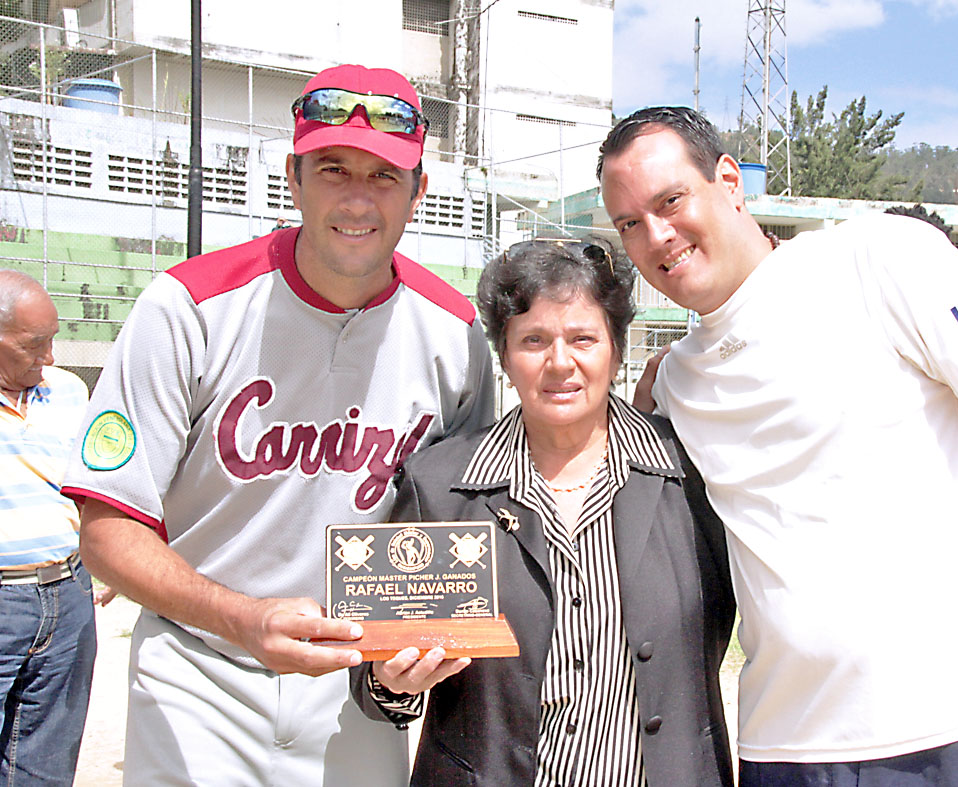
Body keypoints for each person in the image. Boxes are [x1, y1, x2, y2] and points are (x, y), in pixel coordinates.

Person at [597, 106, 958, 787]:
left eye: (669, 200)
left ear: (729, 182)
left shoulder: (883, 257)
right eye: (629, 223)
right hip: (784, 752)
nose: (656, 234)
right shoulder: (674, 383)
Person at [60, 64, 495, 785]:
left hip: (355, 685)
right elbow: (107, 528)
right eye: (332, 168)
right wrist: (239, 617)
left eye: (385, 176)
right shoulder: (188, 307)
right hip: (200, 671)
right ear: (292, 179)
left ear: (418, 194)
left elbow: (456, 527)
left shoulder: (455, 334)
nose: (357, 198)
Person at [350, 238, 736, 786]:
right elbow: (375, 685)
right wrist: (394, 680)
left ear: (615, 350)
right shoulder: (439, 488)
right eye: (533, 340)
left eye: (583, 338)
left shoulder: (688, 473)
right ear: (504, 356)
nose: (561, 363)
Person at [0, 270, 94, 786]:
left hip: (68, 595)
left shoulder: (68, 392)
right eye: (34, 345)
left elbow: (91, 482)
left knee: (46, 763)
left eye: (53, 339)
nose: (50, 357)